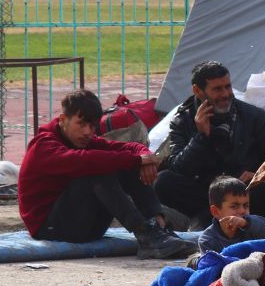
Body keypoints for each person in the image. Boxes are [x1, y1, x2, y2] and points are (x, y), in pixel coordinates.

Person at [18, 90, 193, 260]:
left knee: (125, 164)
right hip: (50, 228)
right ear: (63, 120)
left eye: (92, 126)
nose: (88, 132)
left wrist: (144, 156)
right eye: (81, 124)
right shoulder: (43, 145)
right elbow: (84, 161)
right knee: (99, 167)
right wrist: (137, 160)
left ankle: (159, 228)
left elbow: (128, 148)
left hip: (86, 225)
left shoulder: (84, 140)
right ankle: (145, 233)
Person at [157, 61, 265, 227]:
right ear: (198, 91)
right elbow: (179, 168)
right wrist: (201, 136)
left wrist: (258, 175)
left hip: (244, 192)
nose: (225, 94)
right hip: (207, 192)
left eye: (228, 87)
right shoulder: (182, 121)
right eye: (217, 89)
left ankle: (213, 219)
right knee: (164, 182)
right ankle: (216, 216)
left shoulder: (253, 116)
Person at [195, 176, 265, 254]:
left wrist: (246, 223)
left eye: (246, 205)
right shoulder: (207, 240)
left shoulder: (251, 226)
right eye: (234, 206)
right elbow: (211, 265)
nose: (242, 211)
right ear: (215, 211)